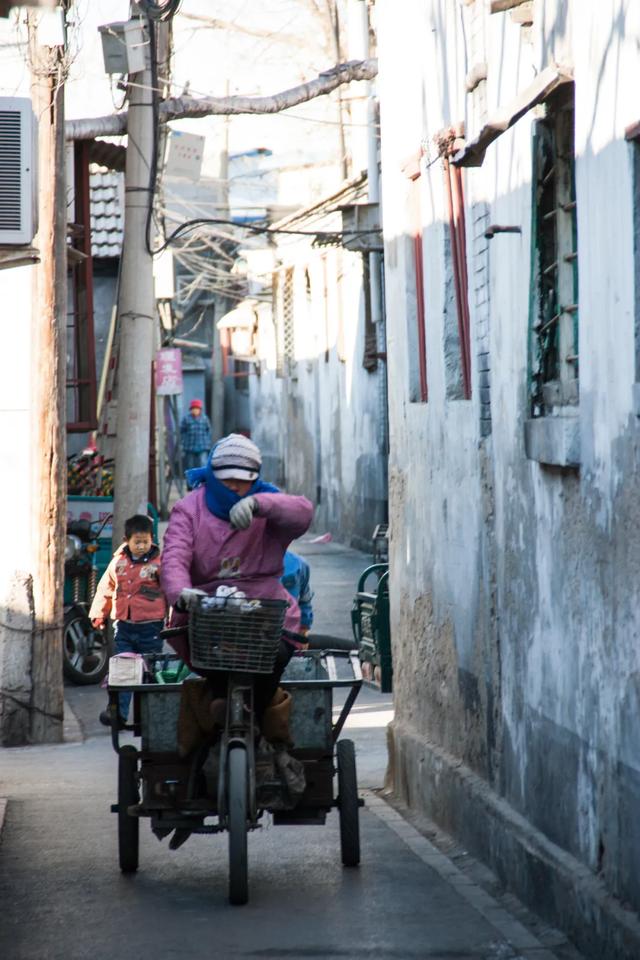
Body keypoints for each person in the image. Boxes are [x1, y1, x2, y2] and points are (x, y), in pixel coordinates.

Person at [160, 433, 313, 722]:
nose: (234, 486)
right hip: (205, 607)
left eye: (243, 480)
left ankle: (258, 715)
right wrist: (180, 592)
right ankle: (221, 704)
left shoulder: (266, 502)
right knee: (209, 658)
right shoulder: (189, 509)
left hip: (263, 606)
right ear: (212, 474)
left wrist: (259, 505)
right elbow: (174, 557)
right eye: (226, 478)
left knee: (276, 656)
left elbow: (302, 513)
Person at [89, 514, 166, 728]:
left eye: (145, 541)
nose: (141, 546)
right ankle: (118, 714)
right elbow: (106, 588)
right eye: (137, 542)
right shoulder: (118, 562)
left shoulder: (160, 564)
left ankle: (151, 718)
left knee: (151, 673)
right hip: (123, 627)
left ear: (152, 539)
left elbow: (170, 589)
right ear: (126, 540)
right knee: (123, 671)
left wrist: (175, 617)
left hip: (151, 628)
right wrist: (99, 613)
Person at [281, 551, 313, 637]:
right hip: (288, 630)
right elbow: (305, 599)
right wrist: (304, 625)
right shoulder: (299, 563)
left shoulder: (250, 564)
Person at [180, 398, 212, 472]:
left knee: (202, 464)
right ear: (191, 410)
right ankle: (190, 479)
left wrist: (207, 441)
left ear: (200, 410)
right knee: (190, 466)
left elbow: (209, 430)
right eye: (193, 409)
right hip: (189, 446)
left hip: (202, 446)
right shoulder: (186, 419)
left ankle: (202, 479)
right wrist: (184, 441)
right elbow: (182, 431)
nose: (195, 410)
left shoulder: (204, 418)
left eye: (197, 409)